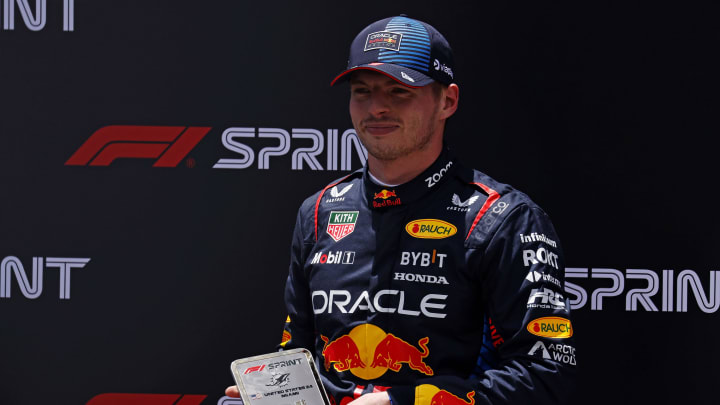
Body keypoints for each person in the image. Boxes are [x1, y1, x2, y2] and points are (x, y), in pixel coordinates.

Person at [227, 15, 576, 405]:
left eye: (399, 91)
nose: (377, 107)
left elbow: (545, 375)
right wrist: (271, 394)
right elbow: (299, 356)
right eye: (363, 92)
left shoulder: (502, 218)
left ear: (448, 101)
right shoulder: (320, 211)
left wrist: (404, 401)